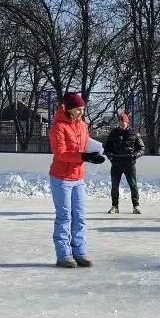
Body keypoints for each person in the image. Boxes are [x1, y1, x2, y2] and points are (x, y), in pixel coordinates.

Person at [49, 92, 105, 268]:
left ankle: (79, 253)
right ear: (68, 109)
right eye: (78, 109)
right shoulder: (58, 127)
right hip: (61, 178)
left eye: (82, 109)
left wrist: (94, 154)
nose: (81, 112)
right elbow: (60, 153)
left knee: (79, 217)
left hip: (78, 177)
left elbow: (86, 146)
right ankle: (63, 255)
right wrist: (83, 156)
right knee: (64, 216)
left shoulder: (83, 126)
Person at [104, 112, 145, 214]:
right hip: (116, 164)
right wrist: (110, 156)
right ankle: (114, 206)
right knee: (114, 186)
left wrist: (134, 155)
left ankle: (136, 206)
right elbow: (107, 149)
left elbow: (141, 149)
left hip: (129, 164)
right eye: (120, 122)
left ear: (127, 122)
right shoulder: (113, 133)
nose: (122, 124)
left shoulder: (134, 133)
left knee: (133, 185)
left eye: (124, 122)